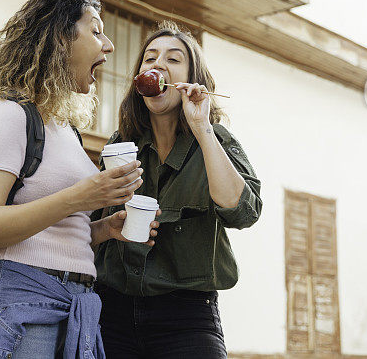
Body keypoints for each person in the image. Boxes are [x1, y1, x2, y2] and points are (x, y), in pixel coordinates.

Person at [0, 0, 159, 359]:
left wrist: (103, 230)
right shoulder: (8, 115)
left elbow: (48, 235)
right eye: (95, 30)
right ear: (60, 37)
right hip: (18, 309)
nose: (108, 45)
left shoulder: (64, 129)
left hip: (74, 310)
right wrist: (82, 197)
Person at [92, 21, 262, 358]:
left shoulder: (216, 141)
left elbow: (243, 212)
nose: (157, 65)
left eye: (172, 59)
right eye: (150, 58)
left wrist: (202, 127)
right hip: (112, 313)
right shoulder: (120, 145)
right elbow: (87, 226)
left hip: (187, 319)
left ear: (189, 78)